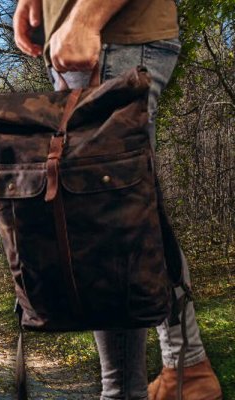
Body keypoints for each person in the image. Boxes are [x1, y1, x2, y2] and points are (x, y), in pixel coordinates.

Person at [12, 0, 223, 399]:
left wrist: (85, 18)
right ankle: (185, 367)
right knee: (132, 214)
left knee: (109, 224)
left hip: (112, 37)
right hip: (95, 42)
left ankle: (147, 383)